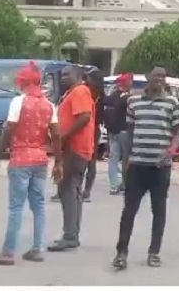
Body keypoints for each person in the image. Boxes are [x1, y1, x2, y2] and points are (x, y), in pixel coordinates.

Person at [0, 61, 62, 266]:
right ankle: (37, 249)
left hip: (20, 159)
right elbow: (55, 135)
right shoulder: (49, 105)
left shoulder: (18, 102)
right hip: (40, 159)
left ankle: (8, 253)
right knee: (39, 206)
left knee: (16, 207)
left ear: (24, 83)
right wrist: (59, 162)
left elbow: (8, 130)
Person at [111, 64, 179, 270]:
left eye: (163, 76)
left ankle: (154, 252)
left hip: (160, 167)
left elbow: (178, 129)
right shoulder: (134, 102)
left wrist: (172, 149)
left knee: (158, 210)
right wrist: (126, 160)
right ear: (148, 78)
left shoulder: (172, 103)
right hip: (138, 165)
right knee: (129, 211)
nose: (159, 79)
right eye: (156, 76)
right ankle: (121, 253)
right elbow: (130, 132)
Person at [49, 65, 95, 252]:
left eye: (67, 74)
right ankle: (72, 234)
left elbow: (84, 116)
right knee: (73, 192)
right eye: (62, 74)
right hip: (76, 148)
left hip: (74, 149)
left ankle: (70, 235)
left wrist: (65, 135)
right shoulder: (73, 93)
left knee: (67, 191)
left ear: (78, 76)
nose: (63, 77)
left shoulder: (79, 91)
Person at [103, 73, 132, 195]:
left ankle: (114, 185)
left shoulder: (111, 97)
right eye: (130, 81)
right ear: (126, 83)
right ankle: (125, 185)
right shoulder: (128, 98)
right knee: (126, 160)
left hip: (112, 132)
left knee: (113, 159)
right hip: (125, 132)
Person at [82, 69, 105, 203]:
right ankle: (84, 190)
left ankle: (86, 190)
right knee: (87, 160)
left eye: (89, 77)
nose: (86, 79)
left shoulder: (96, 96)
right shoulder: (94, 94)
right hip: (91, 129)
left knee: (89, 160)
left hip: (91, 129)